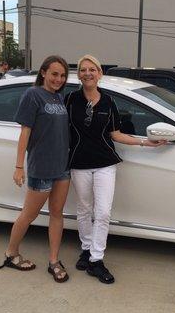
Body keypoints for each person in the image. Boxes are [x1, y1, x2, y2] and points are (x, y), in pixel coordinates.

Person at [65, 55, 166, 284]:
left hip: (104, 164)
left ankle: (96, 260)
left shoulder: (109, 102)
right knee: (83, 208)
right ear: (79, 74)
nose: (88, 73)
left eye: (92, 69)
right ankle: (86, 248)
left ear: (99, 74)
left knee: (102, 212)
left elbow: (116, 134)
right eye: (83, 69)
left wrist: (146, 143)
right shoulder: (70, 100)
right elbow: (60, 131)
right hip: (79, 163)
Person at [0, 55, 71, 283]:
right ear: (43, 73)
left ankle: (53, 260)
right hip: (41, 168)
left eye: (62, 75)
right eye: (54, 74)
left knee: (57, 214)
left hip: (62, 168)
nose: (58, 79)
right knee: (28, 215)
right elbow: (25, 132)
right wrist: (19, 166)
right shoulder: (33, 95)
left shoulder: (59, 98)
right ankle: (11, 253)